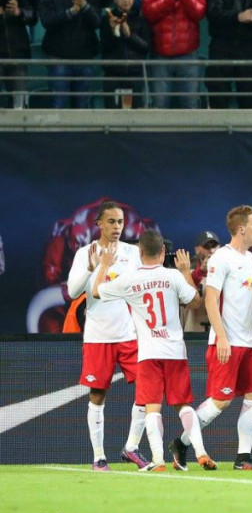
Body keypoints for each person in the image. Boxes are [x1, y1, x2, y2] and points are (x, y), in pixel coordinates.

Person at [168, 205, 252, 472]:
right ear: (241, 229)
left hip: (249, 341)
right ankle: (181, 443)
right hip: (226, 342)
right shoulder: (220, 258)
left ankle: (243, 457)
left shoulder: (250, 258)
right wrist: (222, 337)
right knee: (221, 401)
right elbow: (210, 300)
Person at [92, 230, 216, 472]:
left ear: (140, 252)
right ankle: (201, 452)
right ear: (163, 252)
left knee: (152, 406)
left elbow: (97, 291)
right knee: (184, 405)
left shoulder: (129, 279)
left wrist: (104, 265)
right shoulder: (173, 276)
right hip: (175, 351)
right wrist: (185, 272)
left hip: (148, 353)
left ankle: (158, 459)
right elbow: (195, 302)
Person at [65, 200, 146, 471]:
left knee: (147, 389)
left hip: (129, 334)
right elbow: (73, 292)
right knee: (97, 395)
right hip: (98, 336)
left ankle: (131, 447)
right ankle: (99, 457)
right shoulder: (85, 253)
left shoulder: (132, 253)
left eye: (120, 222)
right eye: (111, 221)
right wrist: (92, 267)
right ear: (99, 224)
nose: (117, 226)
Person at [142, 0, 207, 110]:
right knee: (160, 106)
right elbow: (149, 13)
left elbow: (199, 13)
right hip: (160, 54)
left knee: (190, 106)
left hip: (189, 54)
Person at [38, 0, 101, 110]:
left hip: (84, 59)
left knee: (82, 107)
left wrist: (85, 6)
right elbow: (47, 21)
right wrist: (71, 12)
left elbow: (96, 23)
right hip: (58, 58)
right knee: (58, 105)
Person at [100, 0, 152, 109]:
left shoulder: (141, 19)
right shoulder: (106, 20)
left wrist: (130, 35)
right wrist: (114, 33)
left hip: (135, 74)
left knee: (136, 113)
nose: (126, 0)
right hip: (113, 75)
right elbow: (104, 48)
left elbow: (146, 47)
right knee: (112, 113)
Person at [0, 0, 34, 110]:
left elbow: (33, 17)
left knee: (20, 105)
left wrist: (18, 12)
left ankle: (20, 123)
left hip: (18, 56)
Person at [183, 230, 220, 332]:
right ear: (197, 250)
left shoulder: (227, 273)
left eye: (214, 246)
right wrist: (201, 271)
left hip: (220, 334)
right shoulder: (187, 272)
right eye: (206, 247)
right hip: (194, 332)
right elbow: (186, 294)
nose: (211, 250)